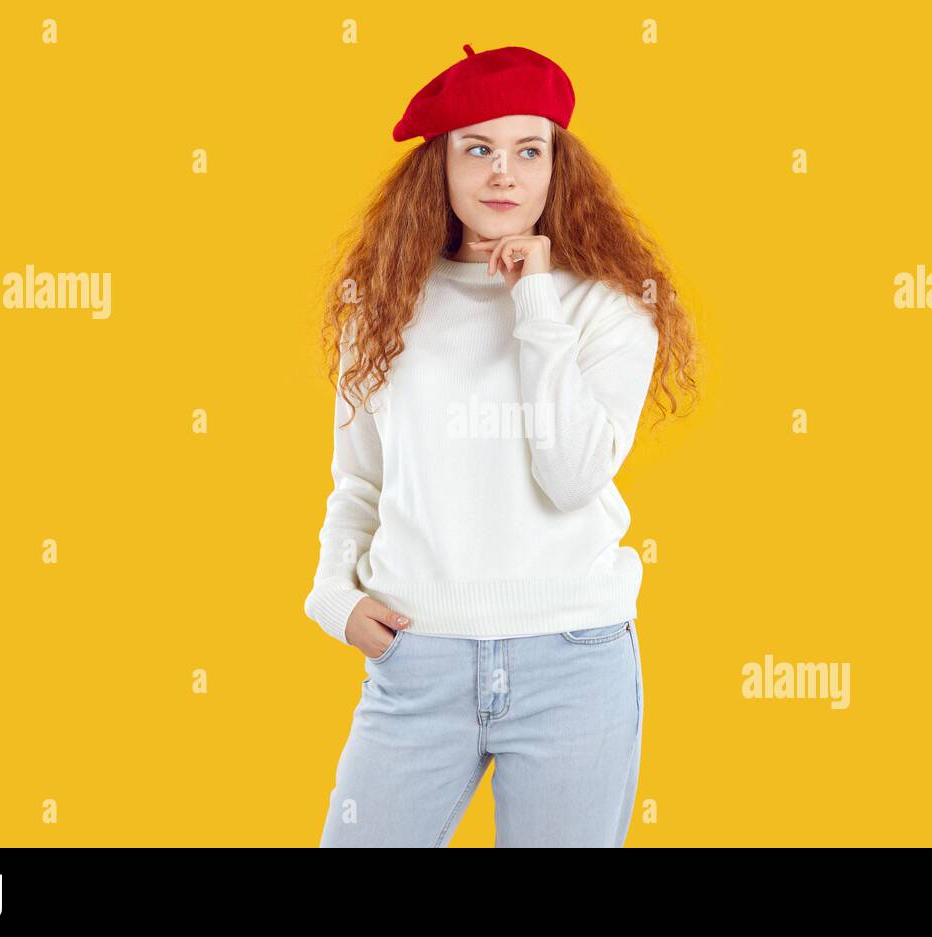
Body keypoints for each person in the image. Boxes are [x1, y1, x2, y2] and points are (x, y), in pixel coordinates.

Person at [305, 43, 699, 846]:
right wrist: (332, 595)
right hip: (418, 661)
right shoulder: (381, 307)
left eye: (529, 150)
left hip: (574, 659)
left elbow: (571, 472)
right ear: (439, 167)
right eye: (477, 149)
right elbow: (360, 483)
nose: (503, 175)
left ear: (559, 166)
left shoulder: (607, 309)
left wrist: (536, 303)